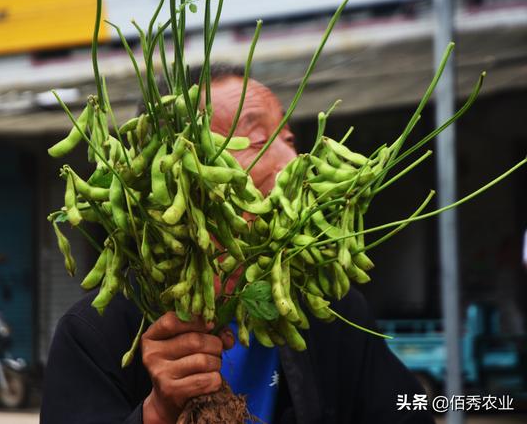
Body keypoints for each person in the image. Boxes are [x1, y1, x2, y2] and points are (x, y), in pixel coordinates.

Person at [40, 67, 435, 424]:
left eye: (289, 138)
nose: (292, 160)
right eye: (259, 140)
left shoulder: (329, 314)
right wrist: (156, 413)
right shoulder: (95, 335)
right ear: (176, 166)